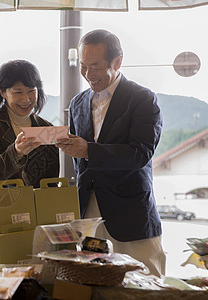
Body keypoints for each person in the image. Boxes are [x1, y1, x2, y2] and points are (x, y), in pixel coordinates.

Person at [56, 29, 166, 277]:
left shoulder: (142, 99)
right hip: (88, 212)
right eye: (83, 66)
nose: (87, 74)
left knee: (145, 281)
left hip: (131, 209)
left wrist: (88, 150)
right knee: (92, 280)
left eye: (95, 66)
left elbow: (141, 153)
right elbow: (80, 161)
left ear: (117, 62)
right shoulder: (77, 103)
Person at [0, 60, 59, 264]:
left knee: (35, 280)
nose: (26, 99)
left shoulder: (46, 128)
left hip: (37, 217)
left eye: (32, 91)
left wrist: (66, 150)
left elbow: (52, 180)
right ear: (3, 92)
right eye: (18, 92)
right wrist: (16, 152)